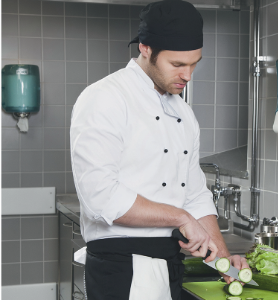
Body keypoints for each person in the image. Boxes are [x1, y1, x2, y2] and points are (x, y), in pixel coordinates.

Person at [70, 1, 249, 299]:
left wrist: (223, 260)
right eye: (178, 65)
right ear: (145, 48)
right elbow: (100, 197)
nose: (188, 75)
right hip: (121, 266)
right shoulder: (105, 98)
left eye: (194, 64)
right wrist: (180, 218)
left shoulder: (184, 114)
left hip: (169, 262)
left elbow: (195, 195)